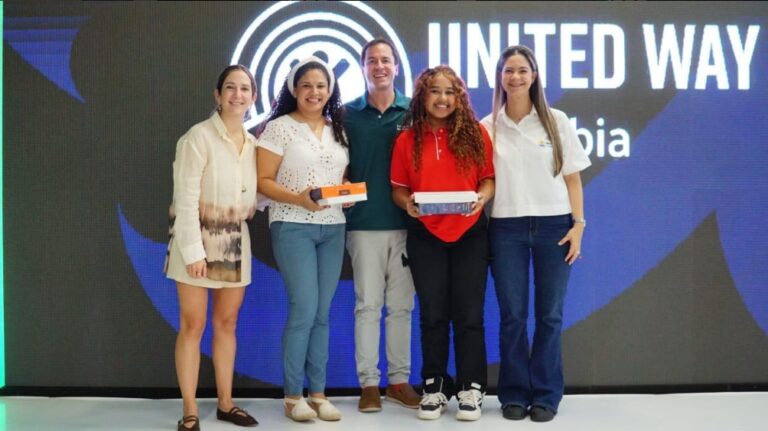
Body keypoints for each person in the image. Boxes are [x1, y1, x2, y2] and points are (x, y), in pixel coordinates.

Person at [480, 45, 591, 423]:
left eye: (522, 70)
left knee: (549, 315)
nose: (515, 77)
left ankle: (546, 394)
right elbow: (484, 181)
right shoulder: (487, 126)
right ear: (500, 77)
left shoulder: (556, 121)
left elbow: (573, 178)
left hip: (555, 226)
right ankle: (513, 393)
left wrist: (578, 225)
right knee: (512, 315)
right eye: (508, 70)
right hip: (506, 227)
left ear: (534, 75)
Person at [390, 65, 495, 421]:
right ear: (423, 96)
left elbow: (488, 180)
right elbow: (398, 189)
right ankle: (434, 386)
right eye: (435, 91)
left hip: (470, 234)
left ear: (459, 97)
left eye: (450, 92)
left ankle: (471, 387)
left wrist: (481, 197)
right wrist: (407, 204)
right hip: (425, 235)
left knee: (469, 315)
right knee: (433, 315)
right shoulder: (407, 139)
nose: (442, 98)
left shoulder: (476, 134)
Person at [165, 64, 260, 431]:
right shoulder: (197, 137)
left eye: (245, 89)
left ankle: (225, 403)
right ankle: (189, 410)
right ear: (217, 95)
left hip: (235, 242)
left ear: (253, 97)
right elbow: (185, 199)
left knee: (227, 323)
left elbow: (253, 196)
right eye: (231, 87)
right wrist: (193, 252)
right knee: (193, 325)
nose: (238, 94)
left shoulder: (252, 144)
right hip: (197, 240)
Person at [256, 56, 348, 422]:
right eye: (306, 85)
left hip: (334, 226)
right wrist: (298, 199)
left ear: (330, 91)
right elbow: (263, 180)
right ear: (294, 90)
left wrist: (346, 192)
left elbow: (339, 177)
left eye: (321, 86)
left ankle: (318, 394)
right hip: (292, 225)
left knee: (322, 313)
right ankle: (293, 396)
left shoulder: (338, 129)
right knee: (304, 308)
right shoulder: (278, 128)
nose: (314, 92)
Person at [343, 38, 421, 413]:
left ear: (396, 67)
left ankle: (399, 382)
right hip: (363, 225)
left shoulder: (415, 111)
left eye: (385, 60)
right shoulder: (346, 114)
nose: (379, 66)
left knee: (402, 307)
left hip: (408, 224)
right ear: (363, 67)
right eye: (372, 61)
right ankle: (369, 384)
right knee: (368, 307)